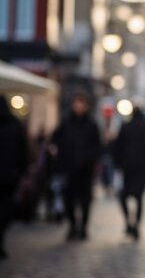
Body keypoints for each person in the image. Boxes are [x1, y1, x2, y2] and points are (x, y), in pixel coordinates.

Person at [51, 90, 102, 241]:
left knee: (85, 200)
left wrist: (91, 160)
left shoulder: (92, 125)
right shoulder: (66, 123)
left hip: (85, 169)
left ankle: (83, 228)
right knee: (69, 199)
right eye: (76, 103)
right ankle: (72, 226)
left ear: (86, 106)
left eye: (82, 104)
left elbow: (97, 146)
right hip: (68, 168)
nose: (79, 106)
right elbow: (56, 139)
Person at [112, 106, 145, 240]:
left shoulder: (125, 126)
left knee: (124, 195)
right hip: (142, 168)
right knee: (139, 197)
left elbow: (117, 147)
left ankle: (128, 221)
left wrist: (118, 164)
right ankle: (136, 225)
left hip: (127, 167)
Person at [0, 96, 28, 259]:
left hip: (9, 175)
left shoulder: (14, 125)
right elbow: (23, 151)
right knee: (6, 209)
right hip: (11, 175)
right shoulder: (15, 124)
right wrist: (22, 171)